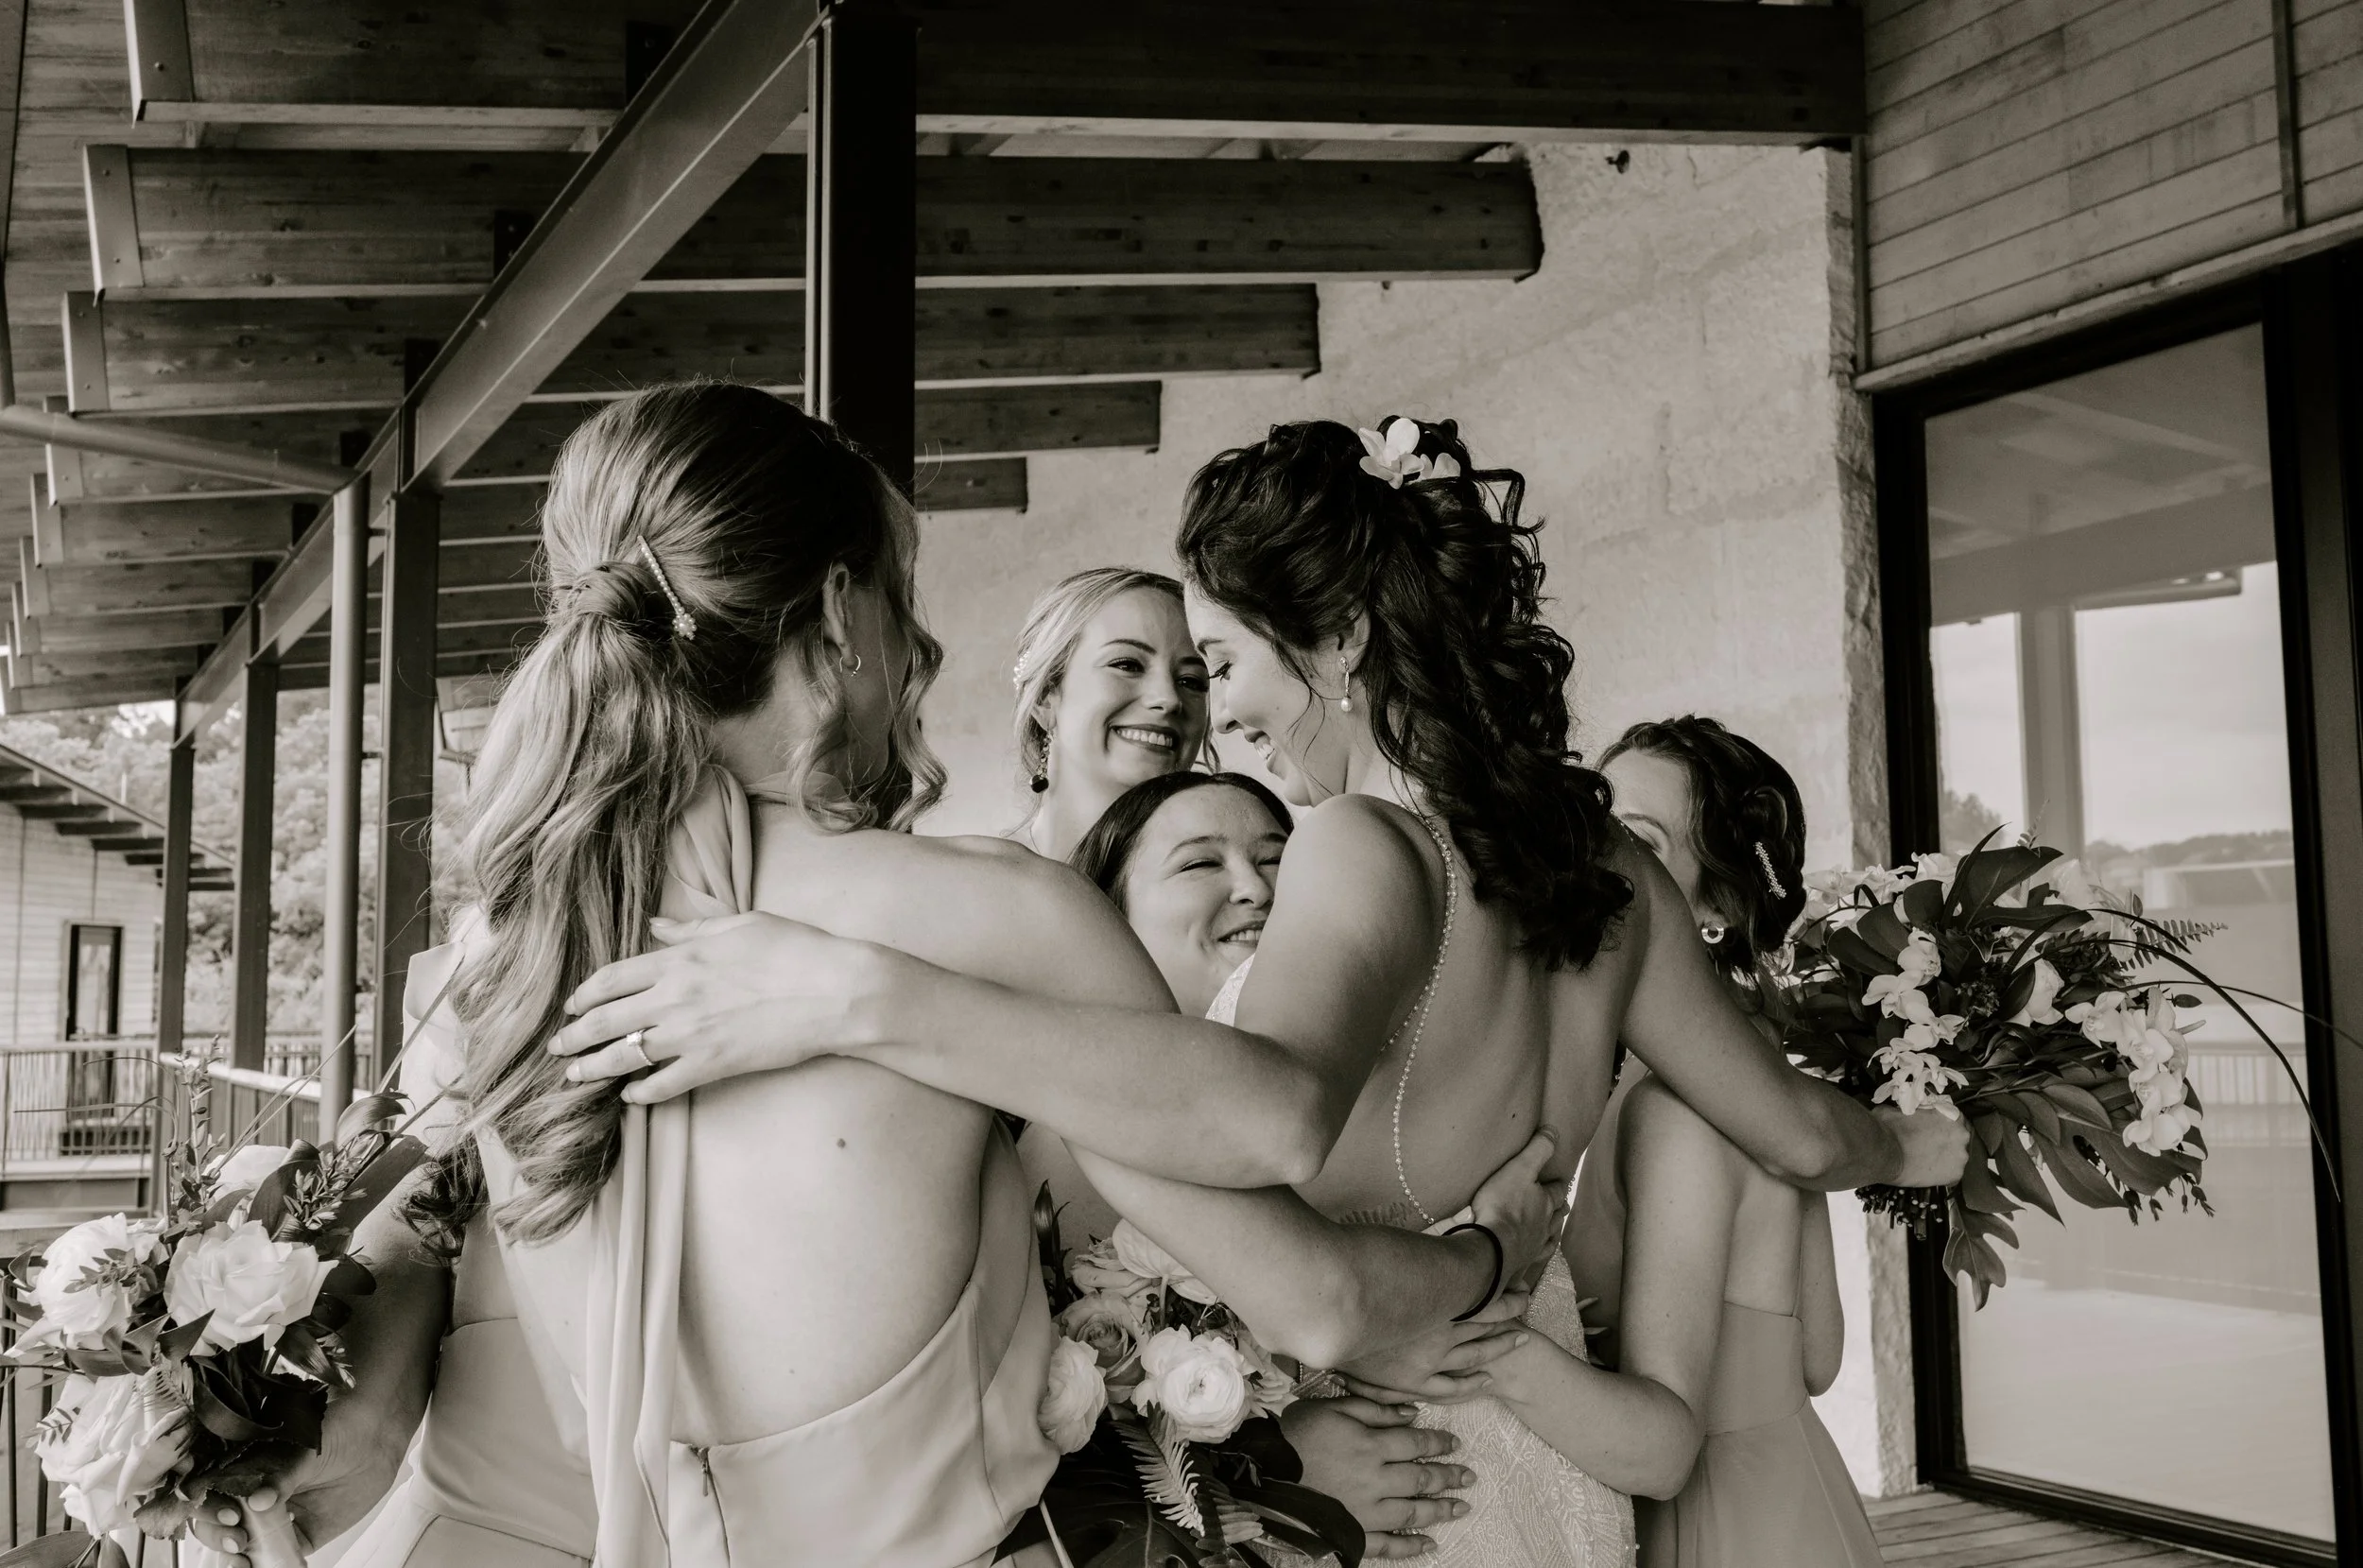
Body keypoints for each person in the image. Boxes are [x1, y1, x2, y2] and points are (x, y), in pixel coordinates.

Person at [552, 415, 1969, 1567]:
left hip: (1382, 1456)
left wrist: (863, 992)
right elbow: (1795, 1132)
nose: (1218, 712)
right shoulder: (1611, 868)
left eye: (1224, 659)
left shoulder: (1366, 842)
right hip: (1553, 1449)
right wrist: (1919, 1137)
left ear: (1339, 642)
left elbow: (1270, 1120)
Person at [206, 389, 1565, 1568]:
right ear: (842, 608)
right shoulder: (999, 918)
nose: (923, 648)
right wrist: (1488, 1253)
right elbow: (1309, 1287)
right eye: (903, 587)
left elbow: (403, 1234)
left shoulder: (518, 948)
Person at [1549, 715, 1880, 1566]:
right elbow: (1818, 1354)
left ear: (1713, 910)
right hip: (1797, 1493)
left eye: (1635, 839)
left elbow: (1655, 1420)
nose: (1598, 853)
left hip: (1702, 1516)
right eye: (1591, 816)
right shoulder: (1766, 1089)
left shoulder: (1667, 1104)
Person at [1009, 567, 1211, 859]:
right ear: (1044, 696)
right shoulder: (977, 887)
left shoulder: (1238, 887)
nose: (1168, 699)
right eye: (1128, 665)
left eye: (1191, 680)